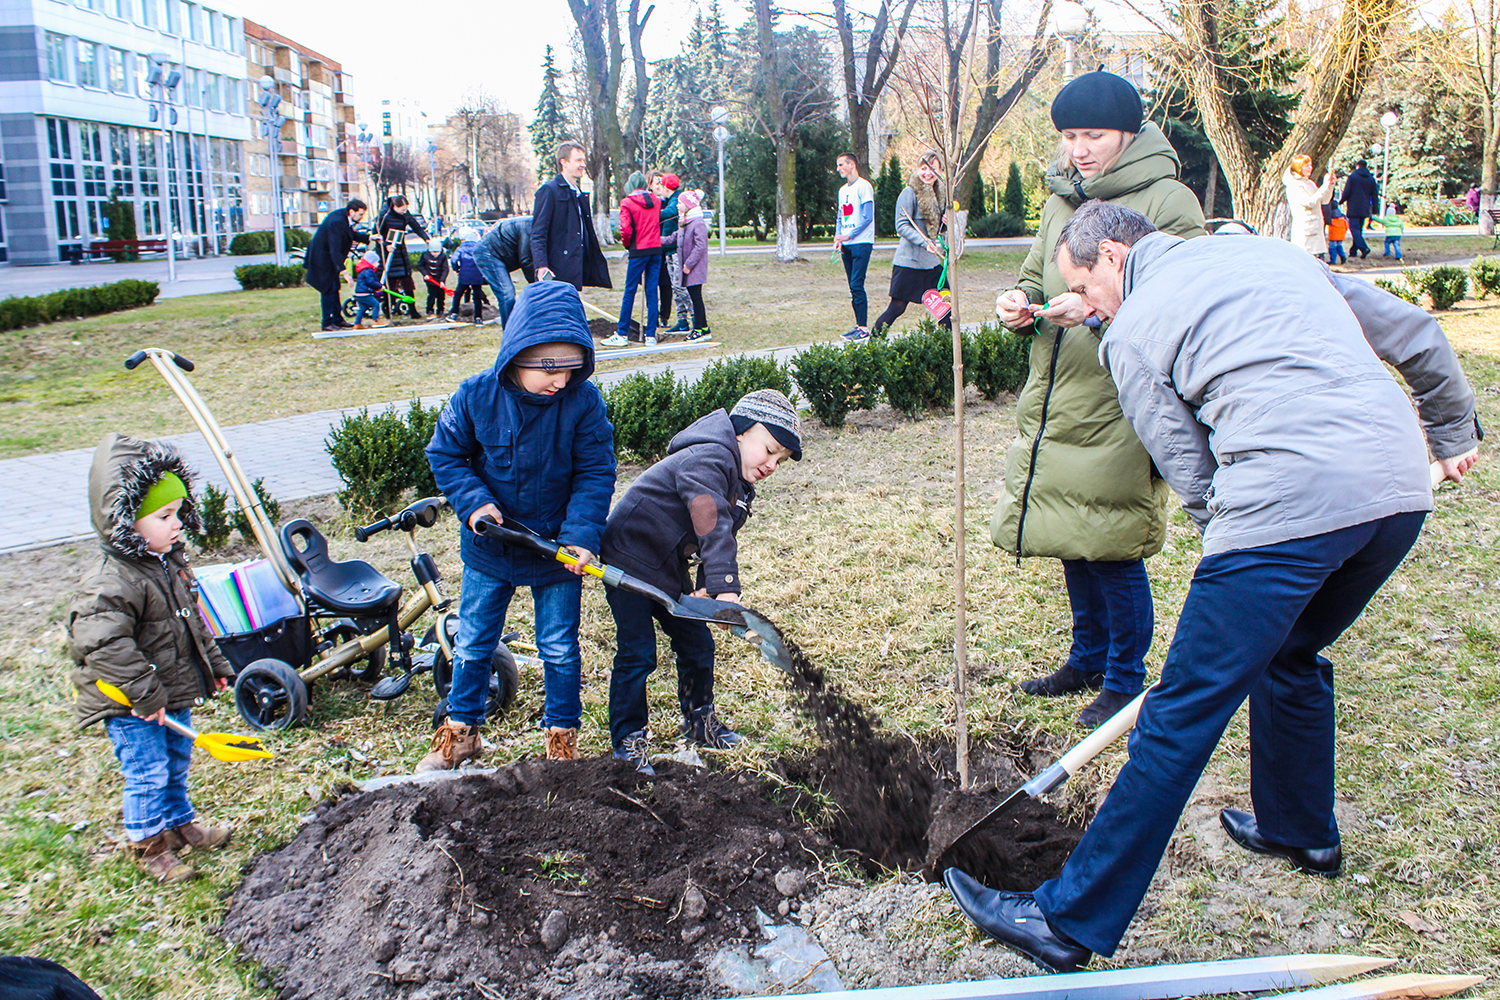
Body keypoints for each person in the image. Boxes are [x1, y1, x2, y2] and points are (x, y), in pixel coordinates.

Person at [947, 199, 1480, 974]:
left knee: (1179, 714)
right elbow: (1417, 336)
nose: (1089, 308)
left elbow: (1188, 466)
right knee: (1290, 654)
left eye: (1087, 290)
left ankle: (1065, 922)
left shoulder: (1130, 332)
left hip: (1284, 509)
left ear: (1116, 258)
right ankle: (1301, 828)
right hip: (1398, 497)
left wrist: (1233, 543)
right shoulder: (1277, 258)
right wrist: (1455, 432)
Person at [991, 70, 1206, 728]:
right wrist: (1018, 306)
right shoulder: (1061, 198)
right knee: (1069, 530)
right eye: (1069, 136)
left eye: (1093, 135)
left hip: (1124, 392)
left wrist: (1089, 314)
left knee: (1109, 537)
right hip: (1059, 391)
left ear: (1130, 133)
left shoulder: (1169, 201)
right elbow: (1037, 272)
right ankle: (1086, 658)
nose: (1079, 149)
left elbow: (1186, 299)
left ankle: (1124, 678)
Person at [421, 281, 617, 769]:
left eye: (572, 368)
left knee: (558, 648)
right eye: (549, 368)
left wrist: (580, 536)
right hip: (491, 549)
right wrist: (475, 505)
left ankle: (561, 744)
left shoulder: (584, 404)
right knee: (473, 641)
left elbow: (596, 473)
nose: (561, 381)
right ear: (517, 353)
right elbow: (446, 454)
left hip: (554, 552)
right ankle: (459, 736)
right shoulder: (475, 396)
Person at [601, 389, 802, 774]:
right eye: (770, 449)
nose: (773, 463)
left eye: (781, 459)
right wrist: (728, 591)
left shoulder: (737, 480)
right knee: (637, 653)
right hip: (629, 557)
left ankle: (699, 722)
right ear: (741, 431)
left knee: (697, 645)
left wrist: (708, 586)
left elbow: (717, 533)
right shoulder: (708, 456)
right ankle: (628, 741)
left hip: (665, 562)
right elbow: (708, 518)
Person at [67, 434, 238, 882]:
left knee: (178, 758)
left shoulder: (167, 561)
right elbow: (102, 644)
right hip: (131, 702)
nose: (177, 524)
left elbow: (193, 622)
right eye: (164, 516)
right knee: (148, 771)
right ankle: (149, 846)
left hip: (172, 688)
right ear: (127, 521)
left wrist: (215, 665)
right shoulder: (113, 580)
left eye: (179, 513)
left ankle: (181, 824)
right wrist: (144, 694)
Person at [873, 153, 950, 335]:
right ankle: (873, 346)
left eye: (933, 168)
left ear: (940, 171)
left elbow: (937, 231)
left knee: (946, 308)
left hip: (931, 265)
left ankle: (948, 350)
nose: (928, 173)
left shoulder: (940, 195)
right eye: (924, 168)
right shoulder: (909, 192)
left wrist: (945, 223)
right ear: (917, 170)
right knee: (897, 307)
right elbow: (901, 225)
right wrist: (925, 243)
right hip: (909, 263)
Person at [532, 140, 612, 292]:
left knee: (570, 308)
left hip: (574, 265)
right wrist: (541, 266)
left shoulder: (577, 193)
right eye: (578, 160)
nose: (583, 164)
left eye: (583, 160)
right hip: (556, 269)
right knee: (556, 309)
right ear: (564, 162)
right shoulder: (549, 191)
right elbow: (538, 233)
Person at [603, 170, 664, 349]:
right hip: (655, 249)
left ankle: (622, 333)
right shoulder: (656, 201)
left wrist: (628, 245)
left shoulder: (627, 203)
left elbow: (626, 229)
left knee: (630, 291)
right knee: (652, 292)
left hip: (638, 249)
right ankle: (651, 335)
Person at [305, 198, 367, 331]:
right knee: (328, 289)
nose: (361, 217)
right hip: (322, 259)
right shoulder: (337, 222)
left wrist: (369, 238)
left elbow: (350, 234)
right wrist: (344, 271)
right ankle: (327, 323)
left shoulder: (343, 218)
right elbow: (335, 249)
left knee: (335, 287)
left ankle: (338, 320)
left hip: (329, 258)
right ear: (352, 212)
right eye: (360, 214)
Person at [834, 152, 876, 341]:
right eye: (838, 165)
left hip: (861, 243)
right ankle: (859, 325)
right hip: (847, 245)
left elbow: (868, 217)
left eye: (841, 164)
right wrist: (839, 237)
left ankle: (864, 329)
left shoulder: (864, 186)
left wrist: (849, 234)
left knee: (857, 284)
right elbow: (841, 216)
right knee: (852, 286)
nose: (839, 169)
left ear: (852, 165)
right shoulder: (842, 191)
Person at [475, 216, 537, 327]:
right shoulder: (528, 226)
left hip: (504, 255)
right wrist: (537, 284)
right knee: (506, 293)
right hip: (488, 252)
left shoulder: (543, 229)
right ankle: (510, 333)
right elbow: (526, 260)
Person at [375, 195, 431, 316]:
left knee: (407, 280)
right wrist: (385, 245)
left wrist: (426, 238)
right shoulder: (384, 215)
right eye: (402, 210)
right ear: (394, 206)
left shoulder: (405, 215)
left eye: (405, 209)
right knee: (391, 283)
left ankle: (413, 310)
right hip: (388, 252)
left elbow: (416, 226)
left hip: (400, 250)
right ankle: (389, 308)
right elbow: (376, 234)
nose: (404, 212)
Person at [656, 173, 694, 333]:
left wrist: (650, 214)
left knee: (680, 286)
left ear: (666, 188)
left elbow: (669, 213)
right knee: (675, 286)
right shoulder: (670, 200)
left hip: (677, 250)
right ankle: (682, 320)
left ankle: (696, 317)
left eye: (661, 187)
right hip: (669, 250)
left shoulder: (677, 200)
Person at [1283, 154, 1336, 259]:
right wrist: (1324, 186)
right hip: (1305, 233)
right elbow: (1309, 203)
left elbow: (1324, 200)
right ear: (1299, 167)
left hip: (1317, 231)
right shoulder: (1294, 184)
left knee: (1320, 264)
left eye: (1310, 165)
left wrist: (1330, 185)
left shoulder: (1310, 183)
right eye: (1307, 165)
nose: (1310, 168)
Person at [676, 189, 712, 340]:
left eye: (680, 203)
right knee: (695, 297)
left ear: (688, 205)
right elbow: (676, 237)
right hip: (691, 268)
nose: (677, 206)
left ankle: (699, 329)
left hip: (694, 269)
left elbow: (700, 246)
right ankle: (704, 328)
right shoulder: (687, 221)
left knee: (696, 298)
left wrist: (689, 264)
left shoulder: (697, 223)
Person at [1340, 159, 1380, 259]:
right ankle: (1353, 251)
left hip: (1353, 207)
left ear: (1357, 166)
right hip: (1365, 208)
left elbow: (1347, 192)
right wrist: (1375, 209)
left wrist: (1340, 201)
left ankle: (1363, 248)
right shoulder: (1371, 179)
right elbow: (1375, 195)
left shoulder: (1353, 177)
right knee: (1358, 230)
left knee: (1354, 229)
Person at [448, 227, 485, 322]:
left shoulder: (460, 248)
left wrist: (456, 269)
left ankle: (454, 313)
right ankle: (478, 317)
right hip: (477, 274)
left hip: (464, 274)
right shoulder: (478, 248)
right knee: (477, 295)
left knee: (458, 294)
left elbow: (453, 260)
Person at [352, 249, 388, 329]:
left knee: (362, 308)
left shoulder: (363, 270)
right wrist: (380, 286)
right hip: (365, 293)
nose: (378, 264)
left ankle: (357, 324)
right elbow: (371, 282)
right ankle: (376, 321)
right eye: (376, 262)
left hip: (359, 293)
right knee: (376, 304)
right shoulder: (368, 271)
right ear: (371, 262)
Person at [417, 239, 451, 317]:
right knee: (432, 295)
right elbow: (420, 265)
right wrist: (425, 274)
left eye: (437, 252)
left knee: (441, 296)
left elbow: (445, 269)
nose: (435, 254)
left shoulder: (443, 256)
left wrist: (442, 280)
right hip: (430, 280)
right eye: (433, 252)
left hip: (439, 280)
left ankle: (440, 310)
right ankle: (430, 310)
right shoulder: (425, 255)